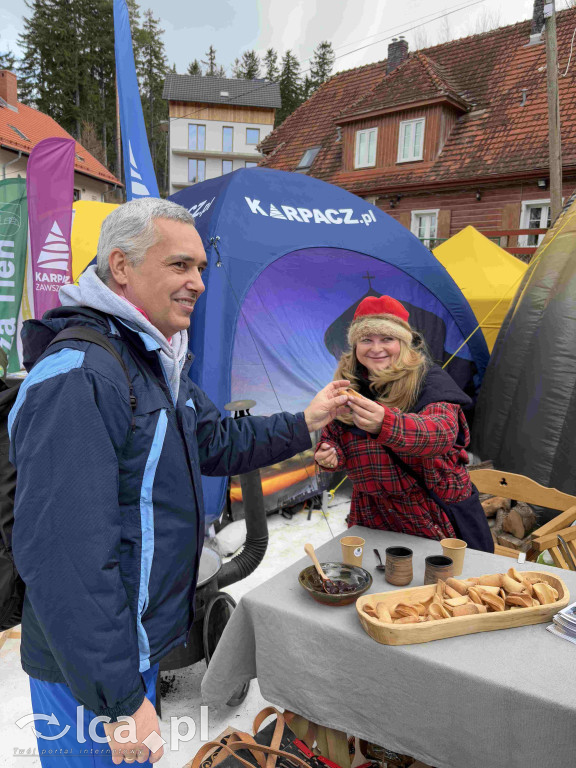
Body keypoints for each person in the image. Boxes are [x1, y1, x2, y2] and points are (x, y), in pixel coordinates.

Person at [9, 198, 350, 766]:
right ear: (121, 266)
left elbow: (215, 440)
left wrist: (305, 421)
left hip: (129, 651)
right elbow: (65, 556)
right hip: (87, 671)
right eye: (179, 266)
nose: (197, 282)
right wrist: (119, 701)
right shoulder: (82, 376)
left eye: (199, 268)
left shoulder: (150, 357)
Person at [315, 295, 492, 549]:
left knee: (446, 584)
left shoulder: (428, 379)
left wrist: (385, 425)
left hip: (432, 513)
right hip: (374, 515)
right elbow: (334, 436)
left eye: (387, 339)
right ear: (355, 345)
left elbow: (441, 434)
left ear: (404, 343)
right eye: (366, 339)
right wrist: (330, 455)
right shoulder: (347, 386)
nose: (376, 348)